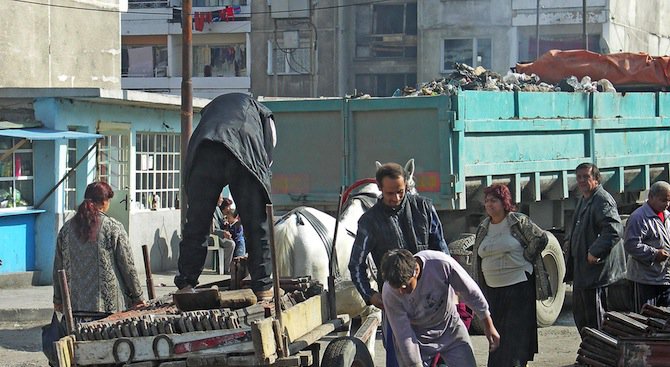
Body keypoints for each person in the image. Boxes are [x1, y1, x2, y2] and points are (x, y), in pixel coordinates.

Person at [174, 93, 277, 300]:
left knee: (197, 223)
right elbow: (267, 156)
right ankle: (263, 287)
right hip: (244, 147)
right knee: (256, 222)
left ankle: (186, 283)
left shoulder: (209, 115)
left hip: (205, 147)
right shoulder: (264, 115)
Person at [348, 162, 451, 366]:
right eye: (390, 193)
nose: (395, 198)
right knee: (400, 357)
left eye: (400, 192)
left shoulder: (424, 208)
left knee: (439, 356)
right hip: (395, 301)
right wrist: (370, 295)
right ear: (379, 188)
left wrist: (449, 288)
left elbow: (442, 252)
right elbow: (356, 264)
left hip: (430, 298)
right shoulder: (369, 221)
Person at [472, 184, 551, 367]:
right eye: (487, 201)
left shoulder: (517, 221)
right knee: (497, 337)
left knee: (515, 339)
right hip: (493, 290)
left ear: (504, 202)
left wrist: (527, 255)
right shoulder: (484, 227)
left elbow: (541, 238)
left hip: (518, 288)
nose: (489, 205)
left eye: (494, 201)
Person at [380, 249, 500, 367]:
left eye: (405, 286)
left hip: (450, 328)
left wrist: (488, 324)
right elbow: (403, 334)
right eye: (397, 288)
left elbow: (470, 292)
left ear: (415, 271)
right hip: (418, 337)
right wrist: (414, 364)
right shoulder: (389, 293)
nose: (401, 292)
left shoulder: (440, 263)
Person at [53, 181, 145, 321]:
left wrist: (58, 299)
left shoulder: (65, 230)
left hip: (74, 309)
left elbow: (58, 268)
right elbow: (127, 265)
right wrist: (138, 297)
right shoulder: (113, 228)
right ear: (104, 202)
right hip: (108, 310)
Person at [564, 162, 626, 334]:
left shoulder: (602, 199)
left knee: (596, 320)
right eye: (579, 177)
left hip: (595, 273)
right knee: (582, 317)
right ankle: (589, 354)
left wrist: (595, 251)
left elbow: (614, 229)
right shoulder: (585, 199)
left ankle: (600, 358)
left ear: (597, 179)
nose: (582, 181)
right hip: (583, 272)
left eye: (586, 177)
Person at [624, 181, 670, 311]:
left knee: (664, 321)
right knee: (645, 320)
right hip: (645, 280)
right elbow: (630, 244)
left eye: (669, 200)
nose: (667, 204)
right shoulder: (639, 217)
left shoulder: (667, 216)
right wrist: (654, 254)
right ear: (651, 197)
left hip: (664, 279)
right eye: (663, 200)